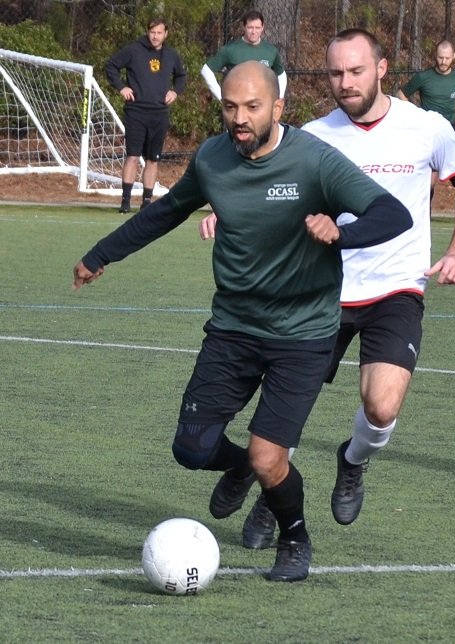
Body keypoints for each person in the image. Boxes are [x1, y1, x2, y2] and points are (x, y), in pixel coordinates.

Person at [72, 61, 412, 582]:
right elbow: (166, 212)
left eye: (252, 106)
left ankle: (295, 539)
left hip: (301, 336)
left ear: (277, 108)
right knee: (191, 448)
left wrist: (342, 234)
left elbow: (393, 214)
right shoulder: (212, 158)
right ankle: (240, 468)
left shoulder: (315, 161)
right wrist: (102, 254)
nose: (240, 117)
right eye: (230, 106)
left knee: (269, 455)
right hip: (232, 329)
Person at [216, 29, 455, 551]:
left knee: (382, 408)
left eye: (356, 71)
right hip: (321, 293)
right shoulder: (312, 135)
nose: (345, 82)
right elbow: (271, 194)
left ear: (382, 70)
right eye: (335, 73)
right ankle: (274, 495)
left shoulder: (425, 127)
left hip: (396, 291)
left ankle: (352, 460)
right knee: (288, 410)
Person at [106, 17, 187, 214]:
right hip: (136, 112)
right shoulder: (134, 50)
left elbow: (182, 76)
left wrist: (175, 91)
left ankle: (146, 202)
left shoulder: (171, 55)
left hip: (159, 114)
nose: (155, 36)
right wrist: (122, 87)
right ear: (147, 32)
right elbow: (111, 66)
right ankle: (125, 202)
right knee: (132, 156)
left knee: (153, 159)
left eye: (159, 33)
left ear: (165, 34)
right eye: (152, 32)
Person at [397, 40, 455, 145]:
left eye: (447, 58)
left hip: (451, 127)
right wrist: (416, 115)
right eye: (440, 58)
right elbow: (401, 94)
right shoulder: (423, 77)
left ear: (453, 56)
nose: (443, 62)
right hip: (427, 129)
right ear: (436, 56)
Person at [200, 9, 287, 100]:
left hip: (263, 105)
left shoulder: (271, 51)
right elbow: (206, 70)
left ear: (262, 28)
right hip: (238, 104)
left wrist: (279, 97)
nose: (254, 32)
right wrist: (221, 97)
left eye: (257, 28)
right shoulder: (230, 50)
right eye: (250, 27)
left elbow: (281, 74)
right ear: (244, 27)